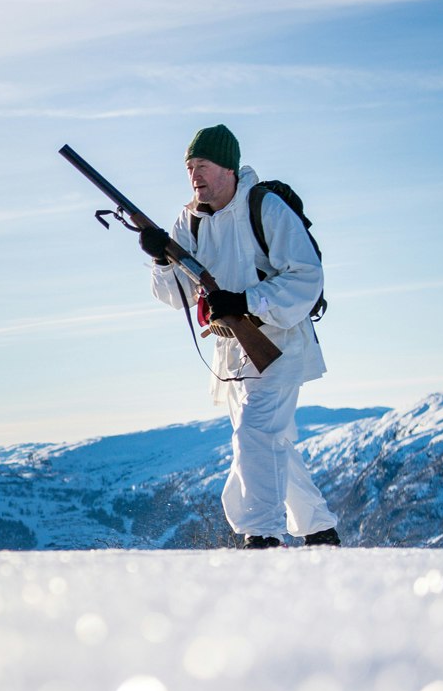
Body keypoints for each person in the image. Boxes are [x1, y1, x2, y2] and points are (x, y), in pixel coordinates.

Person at [140, 124, 341, 549]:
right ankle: (320, 529)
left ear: (228, 168)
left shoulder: (265, 209)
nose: (195, 175)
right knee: (272, 440)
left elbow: (307, 278)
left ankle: (263, 535)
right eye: (190, 167)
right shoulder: (187, 221)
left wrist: (247, 301)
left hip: (279, 343)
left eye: (204, 165)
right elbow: (172, 295)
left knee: (255, 433)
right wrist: (161, 259)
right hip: (231, 350)